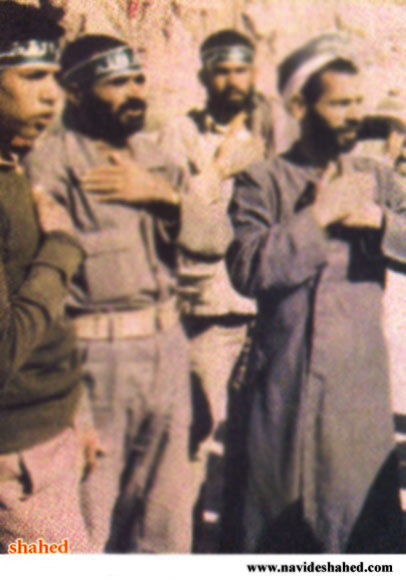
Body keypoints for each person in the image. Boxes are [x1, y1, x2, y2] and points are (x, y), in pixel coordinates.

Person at [226, 33, 406, 553]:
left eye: (358, 102)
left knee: (358, 534)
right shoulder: (262, 182)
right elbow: (246, 269)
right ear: (300, 108)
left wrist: (377, 220)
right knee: (273, 532)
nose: (354, 114)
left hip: (357, 394)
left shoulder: (378, 180)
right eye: (338, 103)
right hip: (282, 387)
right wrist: (318, 217)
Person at [26, 33, 193, 553]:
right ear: (76, 93)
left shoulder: (156, 157)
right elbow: (42, 290)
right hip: (94, 363)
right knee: (89, 518)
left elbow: (214, 241)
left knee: (166, 521)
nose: (135, 92)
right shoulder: (48, 166)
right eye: (116, 83)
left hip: (167, 348)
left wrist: (164, 195)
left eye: (138, 79)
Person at [159, 29, 272, 551]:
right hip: (206, 311)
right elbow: (173, 213)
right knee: (194, 439)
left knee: (255, 442)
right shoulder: (179, 135)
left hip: (265, 310)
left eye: (241, 69)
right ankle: (179, 551)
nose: (232, 80)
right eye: (221, 70)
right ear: (205, 75)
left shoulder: (273, 133)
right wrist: (222, 167)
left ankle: (234, 551)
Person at [0, 1, 91, 553]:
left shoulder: (17, 166)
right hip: (17, 462)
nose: (52, 95)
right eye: (33, 76)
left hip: (45, 439)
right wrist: (60, 248)